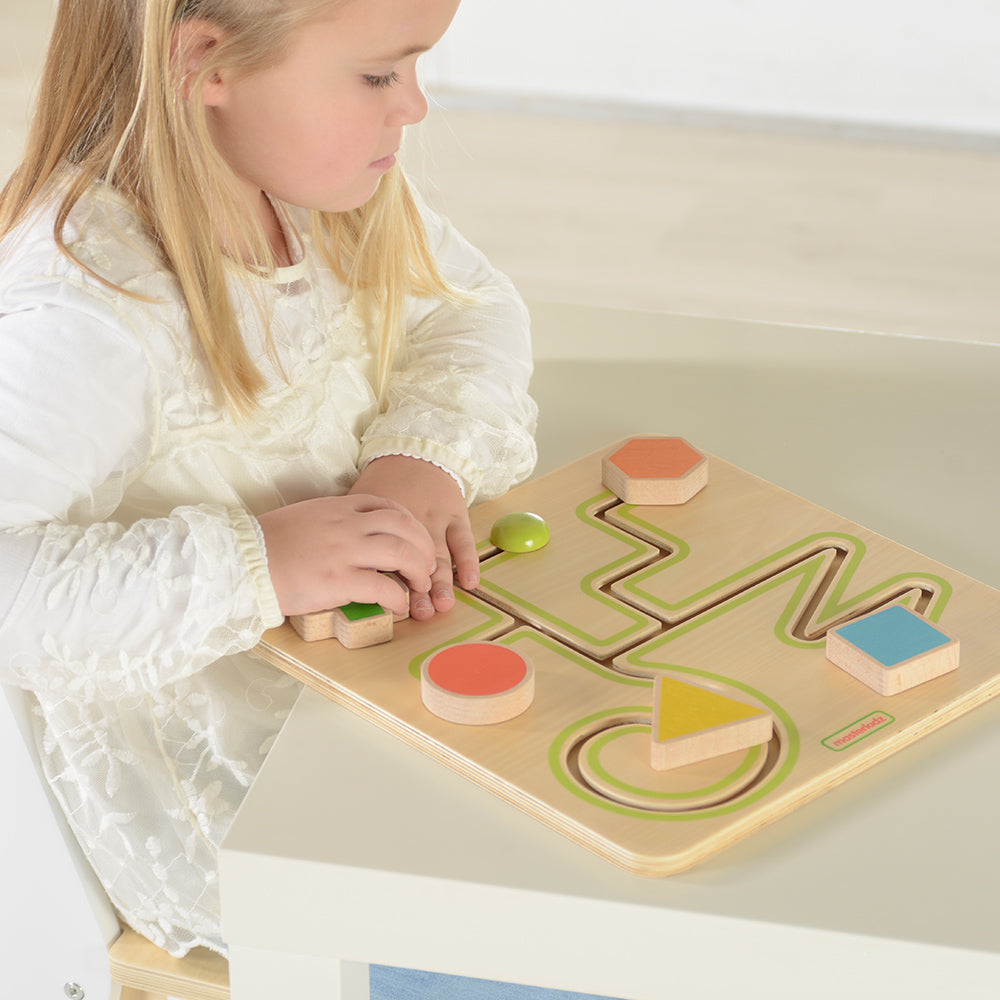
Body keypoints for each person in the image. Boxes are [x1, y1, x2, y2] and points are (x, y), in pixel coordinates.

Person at [0, 0, 536, 959]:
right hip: (229, 792)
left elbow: (472, 309)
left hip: (366, 678)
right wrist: (257, 565)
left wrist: (420, 453)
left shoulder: (315, 184)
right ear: (208, 61)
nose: (413, 106)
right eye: (379, 75)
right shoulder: (87, 317)